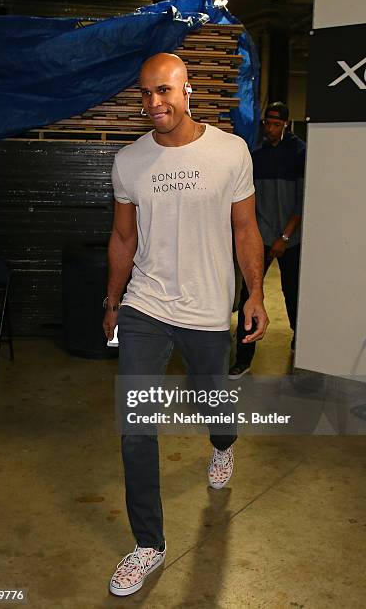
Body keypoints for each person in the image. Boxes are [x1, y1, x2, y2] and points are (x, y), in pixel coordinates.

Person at [103, 53, 268, 597]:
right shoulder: (128, 161)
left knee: (212, 399)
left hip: (205, 308)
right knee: (135, 426)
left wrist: (256, 295)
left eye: (164, 91)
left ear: (187, 89)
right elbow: (124, 238)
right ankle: (149, 543)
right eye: (145, 94)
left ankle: (223, 443)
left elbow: (245, 228)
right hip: (146, 305)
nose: (155, 103)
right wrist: (112, 299)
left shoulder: (230, 152)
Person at [229, 101, 306, 379]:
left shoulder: (299, 152)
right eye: (267, 124)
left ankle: (301, 340)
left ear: (285, 124)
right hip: (260, 236)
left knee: (293, 293)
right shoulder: (256, 155)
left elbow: (301, 200)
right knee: (250, 295)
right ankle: (244, 357)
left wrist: (285, 236)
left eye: (276, 124)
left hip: (291, 239)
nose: (271, 129)